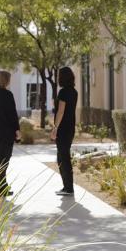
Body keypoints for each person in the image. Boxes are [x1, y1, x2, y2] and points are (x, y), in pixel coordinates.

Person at [0, 70, 20, 197]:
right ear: (5, 80)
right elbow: (12, 114)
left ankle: (2, 188)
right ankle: (1, 189)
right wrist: (17, 130)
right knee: (5, 161)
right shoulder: (8, 95)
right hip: (6, 133)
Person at [51, 66, 78, 196]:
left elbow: (61, 111)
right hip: (70, 128)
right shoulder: (74, 92)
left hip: (62, 129)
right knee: (62, 156)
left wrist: (55, 128)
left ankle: (68, 188)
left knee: (63, 158)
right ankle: (67, 187)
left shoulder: (63, 92)